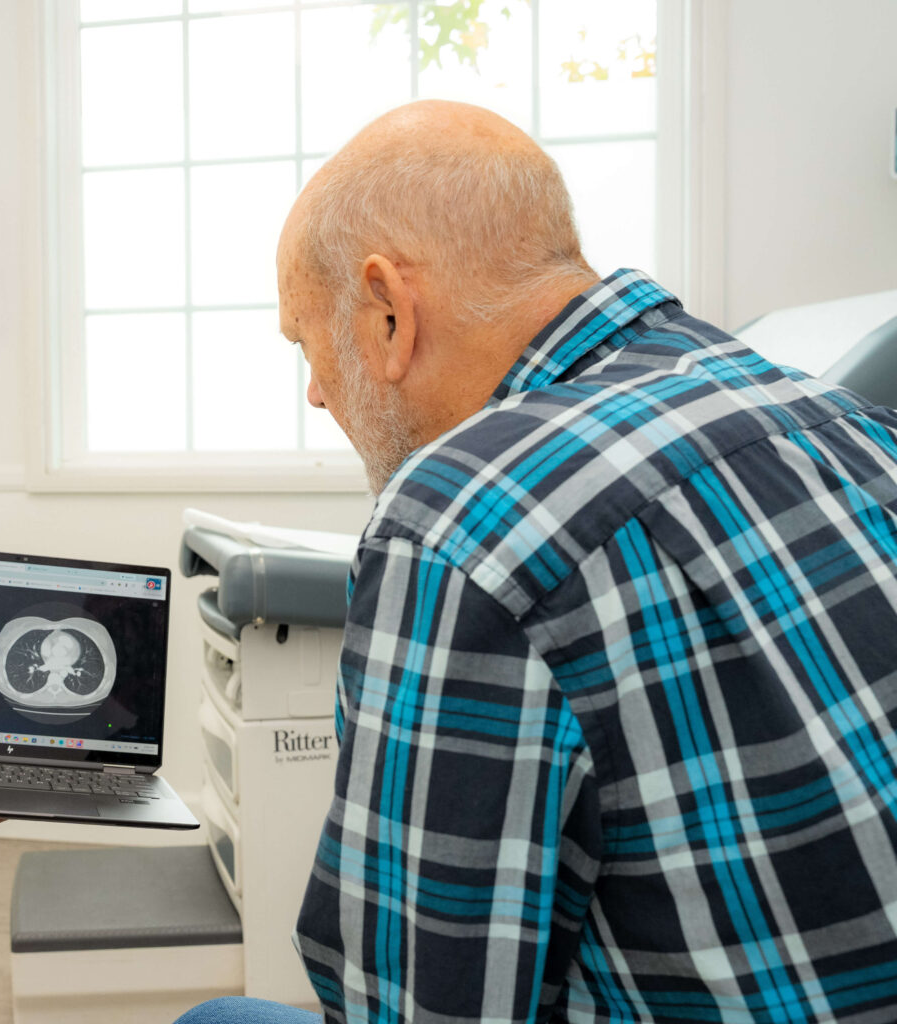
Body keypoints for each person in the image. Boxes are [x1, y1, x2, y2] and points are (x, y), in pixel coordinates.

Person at [179, 99, 897, 1022]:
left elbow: (414, 1003)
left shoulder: (455, 525)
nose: (317, 391)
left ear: (389, 309)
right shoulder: (840, 416)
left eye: (306, 342)